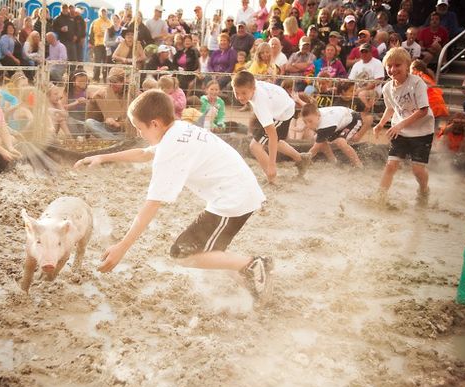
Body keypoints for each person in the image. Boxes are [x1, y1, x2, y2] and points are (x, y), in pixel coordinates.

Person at [74, 89, 272, 301]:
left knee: (182, 254)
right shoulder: (178, 128)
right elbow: (143, 154)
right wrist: (103, 157)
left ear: (155, 124)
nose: (139, 134)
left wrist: (122, 247)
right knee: (208, 251)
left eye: (139, 128)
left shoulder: (170, 148)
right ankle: (251, 278)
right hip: (239, 191)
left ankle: (253, 265)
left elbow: (152, 205)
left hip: (233, 200)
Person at [372, 47, 434, 207]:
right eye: (389, 66)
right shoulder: (387, 88)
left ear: (407, 65)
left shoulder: (417, 82)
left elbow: (423, 110)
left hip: (422, 131)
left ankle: (424, 190)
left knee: (417, 170)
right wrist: (380, 124)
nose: (393, 69)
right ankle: (380, 196)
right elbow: (391, 108)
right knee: (391, 165)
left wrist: (400, 125)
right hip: (400, 130)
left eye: (397, 65)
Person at [231, 70, 311, 183]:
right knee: (275, 142)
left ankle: (272, 179)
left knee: (255, 146)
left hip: (281, 112)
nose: (240, 97)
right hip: (283, 105)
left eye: (244, 93)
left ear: (253, 89)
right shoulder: (252, 83)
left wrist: (272, 165)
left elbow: (272, 135)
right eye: (237, 92)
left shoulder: (260, 103)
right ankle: (301, 159)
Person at [89, 7, 111, 83]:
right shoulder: (95, 22)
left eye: (105, 12)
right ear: (100, 13)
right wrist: (91, 44)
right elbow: (91, 34)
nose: (104, 13)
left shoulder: (110, 22)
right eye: (102, 12)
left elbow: (112, 34)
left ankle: (105, 78)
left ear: (107, 13)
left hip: (107, 45)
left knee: (105, 63)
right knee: (97, 62)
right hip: (97, 45)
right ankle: (96, 78)